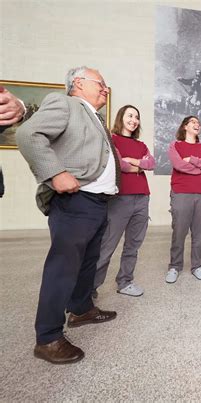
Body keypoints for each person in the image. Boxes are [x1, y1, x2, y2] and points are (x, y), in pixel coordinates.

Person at [16, 66, 118, 364]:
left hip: (97, 203)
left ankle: (81, 309)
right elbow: (28, 133)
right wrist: (55, 173)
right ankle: (47, 338)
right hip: (75, 201)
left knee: (88, 262)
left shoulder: (94, 116)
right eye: (101, 83)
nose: (105, 89)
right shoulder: (65, 103)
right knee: (63, 267)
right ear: (78, 83)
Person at [93, 105, 156, 298]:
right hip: (120, 198)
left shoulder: (141, 145)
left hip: (142, 197)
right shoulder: (112, 140)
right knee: (108, 245)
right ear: (121, 117)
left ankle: (125, 281)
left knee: (133, 244)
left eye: (136, 117)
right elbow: (119, 164)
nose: (134, 120)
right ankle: (89, 287)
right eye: (130, 115)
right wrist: (138, 165)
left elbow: (151, 163)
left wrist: (134, 162)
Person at [165, 116, 201, 283]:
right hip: (181, 192)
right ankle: (174, 266)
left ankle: (197, 266)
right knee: (179, 231)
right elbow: (179, 165)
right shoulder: (175, 145)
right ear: (185, 126)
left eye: (198, 123)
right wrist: (200, 167)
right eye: (193, 122)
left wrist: (192, 160)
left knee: (200, 233)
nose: (197, 124)